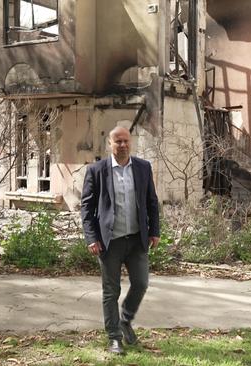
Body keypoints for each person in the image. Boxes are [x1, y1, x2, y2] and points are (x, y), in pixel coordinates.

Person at [80, 126, 160, 354]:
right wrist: (91, 237)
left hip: (137, 239)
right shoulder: (96, 171)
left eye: (126, 141)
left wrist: (155, 230)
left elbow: (151, 202)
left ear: (131, 142)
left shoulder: (143, 168)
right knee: (110, 291)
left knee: (141, 283)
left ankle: (125, 320)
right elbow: (87, 208)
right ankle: (114, 337)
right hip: (109, 242)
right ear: (110, 144)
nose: (123, 145)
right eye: (118, 141)